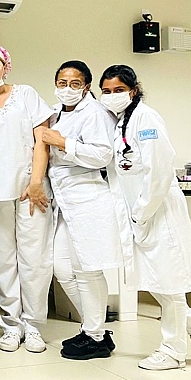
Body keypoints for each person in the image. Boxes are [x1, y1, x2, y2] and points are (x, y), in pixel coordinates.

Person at [100, 65, 191, 370]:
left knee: (169, 283)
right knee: (156, 282)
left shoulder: (146, 118)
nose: (112, 96)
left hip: (158, 211)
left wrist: (142, 212)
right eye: (106, 91)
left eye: (119, 90)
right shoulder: (122, 122)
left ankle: (173, 351)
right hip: (141, 214)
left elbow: (158, 169)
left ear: (133, 91)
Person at [42, 60, 128, 360]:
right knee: (62, 268)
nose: (67, 88)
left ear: (87, 86)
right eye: (62, 83)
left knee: (87, 271)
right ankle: (96, 328)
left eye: (75, 84)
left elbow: (103, 155)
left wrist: (63, 143)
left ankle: (94, 335)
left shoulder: (95, 113)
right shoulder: (55, 112)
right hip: (65, 203)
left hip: (89, 198)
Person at [0, 44, 54, 353]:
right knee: (0, 259)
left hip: (31, 190)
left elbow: (42, 140)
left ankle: (33, 326)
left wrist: (36, 182)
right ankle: (11, 324)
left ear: (6, 67)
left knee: (34, 259)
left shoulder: (26, 95)